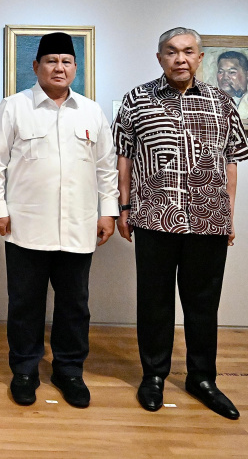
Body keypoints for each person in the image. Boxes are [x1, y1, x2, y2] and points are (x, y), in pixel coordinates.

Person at [113, 27, 248, 420]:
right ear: (160, 57)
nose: (180, 59)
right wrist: (124, 207)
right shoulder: (137, 100)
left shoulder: (222, 103)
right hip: (153, 216)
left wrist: (229, 216)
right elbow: (124, 156)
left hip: (208, 219)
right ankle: (153, 375)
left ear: (200, 57)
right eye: (171, 52)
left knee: (203, 304)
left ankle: (202, 378)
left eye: (188, 51)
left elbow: (231, 163)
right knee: (154, 302)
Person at [0, 32, 118, 408]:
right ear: (36, 66)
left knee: (75, 304)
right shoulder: (13, 107)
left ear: (75, 68)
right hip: (25, 227)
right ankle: (25, 369)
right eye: (51, 60)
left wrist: (108, 210)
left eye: (66, 61)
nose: (59, 67)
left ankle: (69, 370)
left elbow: (106, 168)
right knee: (25, 303)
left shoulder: (91, 112)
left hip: (79, 225)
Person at [216, 50, 248, 128]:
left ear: (246, 74)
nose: (225, 77)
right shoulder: (212, 102)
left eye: (232, 72)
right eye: (220, 72)